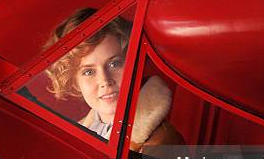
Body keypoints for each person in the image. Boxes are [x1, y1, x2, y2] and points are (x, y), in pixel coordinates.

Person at [44, 8, 183, 151]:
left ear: (133, 63)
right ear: (75, 82)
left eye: (114, 64)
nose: (105, 80)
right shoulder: (75, 138)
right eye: (89, 71)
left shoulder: (161, 142)